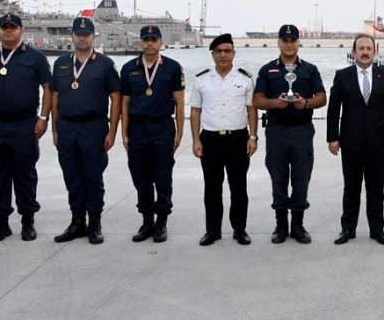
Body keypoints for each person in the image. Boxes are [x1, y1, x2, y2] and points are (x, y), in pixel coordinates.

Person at [0, 13, 52, 242]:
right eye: (4, 27)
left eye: (12, 27)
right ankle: (1, 223)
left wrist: (43, 117)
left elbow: (48, 87)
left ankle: (28, 222)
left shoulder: (35, 57)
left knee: (25, 175)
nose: (8, 31)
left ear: (21, 31)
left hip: (24, 125)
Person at [253, 24, 327, 244]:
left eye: (293, 40)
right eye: (285, 40)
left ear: (298, 43)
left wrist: (307, 103)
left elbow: (322, 97)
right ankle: (280, 225)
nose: (289, 44)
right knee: (278, 178)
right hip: (276, 130)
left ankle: (298, 224)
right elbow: (257, 100)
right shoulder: (268, 70)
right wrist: (276, 103)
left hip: (302, 131)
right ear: (279, 43)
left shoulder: (309, 69)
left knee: (301, 178)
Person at [51, 17, 121, 245]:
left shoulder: (105, 64)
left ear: (93, 36)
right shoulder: (61, 63)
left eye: (87, 34)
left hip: (94, 126)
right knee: (72, 176)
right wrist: (54, 128)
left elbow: (116, 98)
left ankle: (95, 223)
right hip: (67, 126)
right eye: (78, 33)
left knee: (93, 176)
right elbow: (54, 97)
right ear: (72, 36)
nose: (82, 37)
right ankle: (77, 221)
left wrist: (112, 132)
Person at [327, 34, 384, 246]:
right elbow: (333, 109)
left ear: (374, 52)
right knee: (351, 188)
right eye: (361, 48)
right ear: (354, 52)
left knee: (376, 188)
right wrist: (333, 137)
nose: (365, 52)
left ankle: (377, 230)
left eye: (369, 48)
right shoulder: (343, 76)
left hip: (378, 142)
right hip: (350, 142)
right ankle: (347, 229)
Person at [189, 33, 257, 246]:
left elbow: (251, 109)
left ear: (234, 53)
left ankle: (239, 229)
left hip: (238, 139)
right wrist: (195, 140)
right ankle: (213, 230)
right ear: (212, 54)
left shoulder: (245, 78)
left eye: (227, 51)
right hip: (210, 139)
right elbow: (195, 111)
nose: (223, 55)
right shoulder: (201, 79)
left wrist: (253, 137)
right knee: (212, 187)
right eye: (218, 51)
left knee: (239, 187)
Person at [120, 25, 185, 244]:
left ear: (160, 43)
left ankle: (162, 222)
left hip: (162, 127)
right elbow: (125, 103)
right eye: (146, 39)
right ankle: (147, 220)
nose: (150, 43)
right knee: (140, 175)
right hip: (137, 128)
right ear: (140, 42)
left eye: (154, 39)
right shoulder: (129, 68)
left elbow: (179, 102)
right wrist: (124, 132)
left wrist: (180, 132)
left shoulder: (173, 68)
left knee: (163, 175)